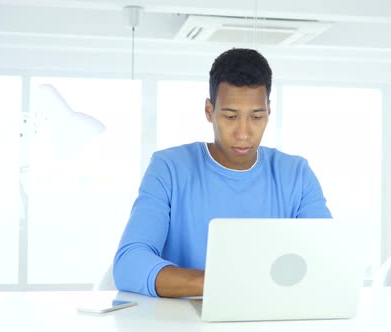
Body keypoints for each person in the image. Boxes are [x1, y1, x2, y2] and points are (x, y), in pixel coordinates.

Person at [113, 48, 332, 298]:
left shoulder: (297, 174)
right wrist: (224, 283)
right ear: (209, 111)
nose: (243, 133)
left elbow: (326, 258)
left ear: (269, 112)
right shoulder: (169, 168)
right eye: (230, 116)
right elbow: (129, 264)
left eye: (256, 116)